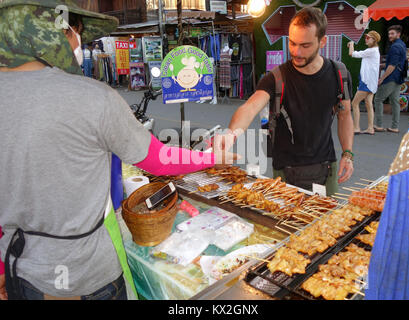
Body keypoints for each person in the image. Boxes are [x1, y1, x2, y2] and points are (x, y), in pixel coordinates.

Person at [0, 0, 237, 300]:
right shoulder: (91, 97)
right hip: (86, 277)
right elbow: (158, 159)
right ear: (54, 31)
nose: (78, 42)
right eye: (76, 32)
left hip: (21, 269)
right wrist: (212, 157)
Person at [215, 7, 354, 196]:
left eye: (305, 45)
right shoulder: (276, 77)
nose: (296, 52)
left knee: (326, 220)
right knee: (287, 223)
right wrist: (230, 135)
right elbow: (250, 107)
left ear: (322, 41)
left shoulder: (340, 74)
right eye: (292, 43)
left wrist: (348, 153)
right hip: (286, 169)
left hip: (326, 165)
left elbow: (345, 114)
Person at [373, 25, 407, 133]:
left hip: (392, 77)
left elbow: (392, 66)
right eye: (389, 34)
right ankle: (394, 127)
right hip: (399, 77)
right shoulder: (402, 44)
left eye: (392, 33)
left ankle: (378, 125)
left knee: (378, 99)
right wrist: (383, 65)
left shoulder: (395, 47)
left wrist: (382, 78)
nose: (390, 36)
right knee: (395, 102)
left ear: (398, 34)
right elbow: (395, 62)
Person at [348, 31, 381, 135]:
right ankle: (370, 128)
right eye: (366, 37)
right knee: (368, 104)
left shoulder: (371, 51)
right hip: (371, 82)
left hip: (367, 82)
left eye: (368, 37)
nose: (366, 39)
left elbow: (352, 54)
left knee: (354, 103)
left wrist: (352, 44)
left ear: (374, 40)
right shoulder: (374, 50)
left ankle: (356, 128)